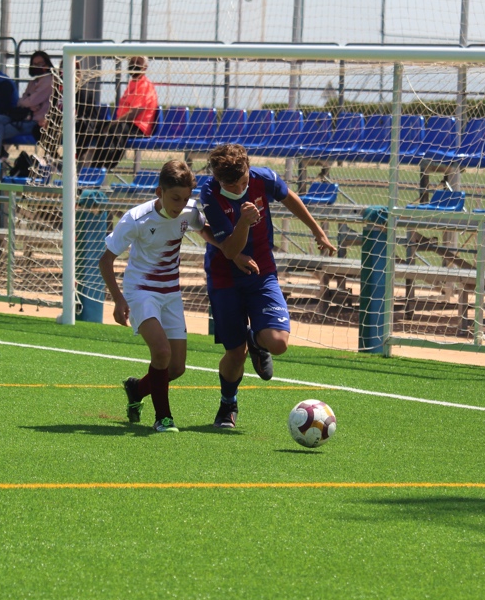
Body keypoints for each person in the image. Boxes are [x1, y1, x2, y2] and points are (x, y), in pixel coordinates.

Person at [99, 160, 258, 433]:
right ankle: (164, 418)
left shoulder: (188, 210)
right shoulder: (136, 218)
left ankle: (137, 389)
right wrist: (119, 299)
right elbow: (105, 261)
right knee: (161, 353)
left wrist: (232, 252)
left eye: (185, 198)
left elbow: (203, 230)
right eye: (175, 197)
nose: (180, 204)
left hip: (171, 293)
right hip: (141, 292)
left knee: (176, 368)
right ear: (159, 192)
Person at [201, 143, 336, 429]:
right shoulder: (210, 194)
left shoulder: (264, 179)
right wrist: (245, 223)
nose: (239, 190)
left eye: (242, 183)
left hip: (262, 273)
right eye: (231, 186)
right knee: (235, 353)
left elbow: (290, 198)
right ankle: (228, 405)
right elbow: (229, 251)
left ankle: (257, 340)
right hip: (225, 277)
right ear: (218, 180)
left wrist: (318, 231)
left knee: (278, 343)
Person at [83, 56, 158, 169]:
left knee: (116, 128)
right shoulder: (132, 84)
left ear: (145, 67)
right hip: (124, 124)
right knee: (97, 126)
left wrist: (114, 123)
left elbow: (135, 112)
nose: (134, 64)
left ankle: (105, 165)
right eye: (132, 61)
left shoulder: (145, 86)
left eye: (138, 62)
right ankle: (82, 158)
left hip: (138, 127)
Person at [0, 50, 53, 149]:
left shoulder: (48, 80)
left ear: (47, 64)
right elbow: (22, 101)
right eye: (35, 64)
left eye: (40, 63)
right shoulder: (33, 82)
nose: (37, 66)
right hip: (23, 116)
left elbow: (31, 100)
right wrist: (27, 102)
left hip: (35, 122)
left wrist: (27, 102)